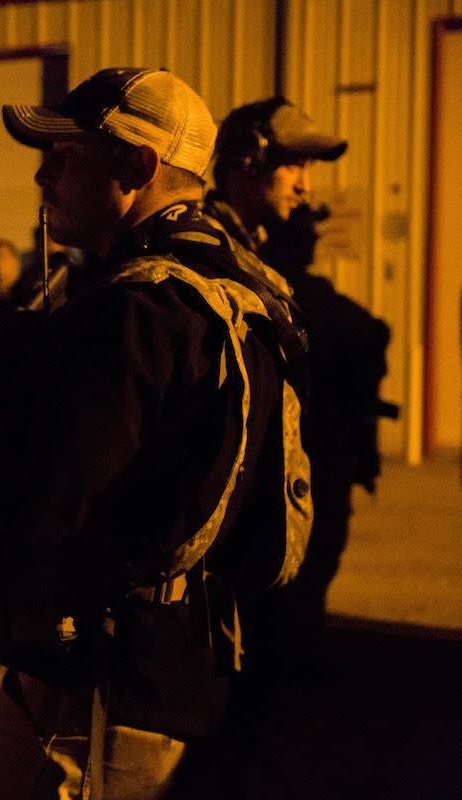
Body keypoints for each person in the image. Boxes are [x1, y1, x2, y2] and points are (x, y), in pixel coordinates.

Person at [0, 68, 311, 800]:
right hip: (162, 661)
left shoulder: (137, 317)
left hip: (91, 694)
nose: (42, 174)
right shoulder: (224, 288)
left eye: (67, 157)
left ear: (137, 168)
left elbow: (40, 507)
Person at [207, 98, 394, 657]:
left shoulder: (261, 249)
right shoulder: (218, 253)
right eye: (292, 165)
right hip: (244, 531)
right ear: (246, 161)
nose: (305, 186)